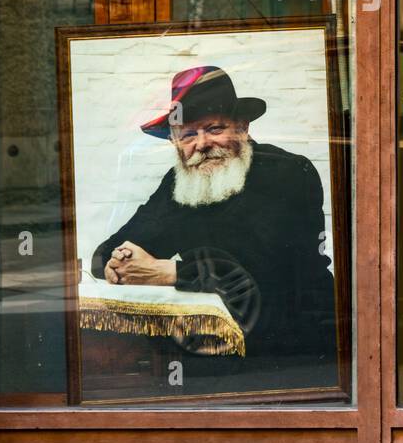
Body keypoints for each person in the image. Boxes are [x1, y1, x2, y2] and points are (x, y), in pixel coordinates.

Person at [90, 65, 338, 384]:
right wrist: (118, 263)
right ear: (175, 142)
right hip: (211, 354)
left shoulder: (287, 173)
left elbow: (264, 270)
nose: (203, 143)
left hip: (293, 352)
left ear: (242, 127)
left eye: (214, 128)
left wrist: (168, 273)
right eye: (189, 134)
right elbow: (113, 249)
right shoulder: (179, 184)